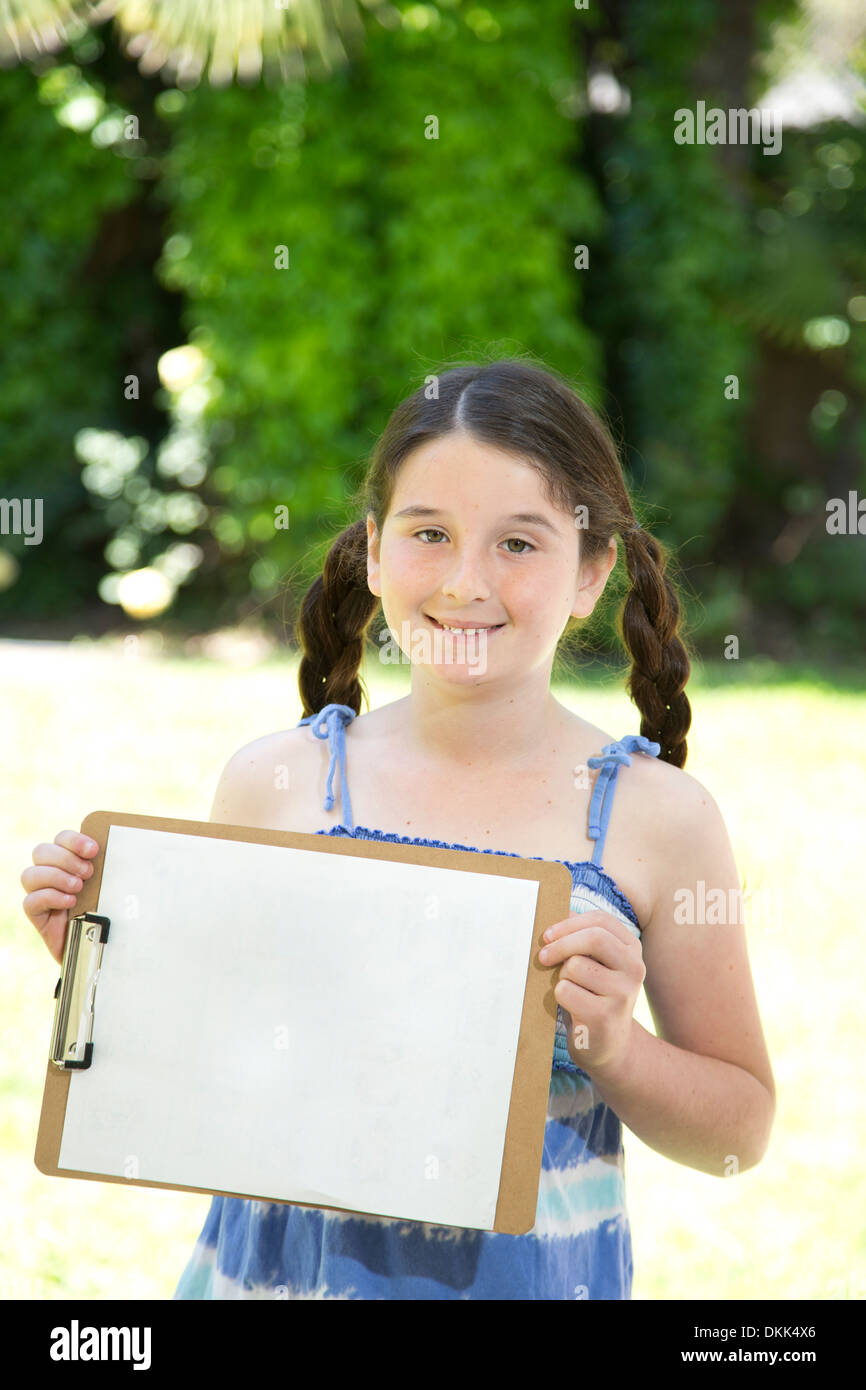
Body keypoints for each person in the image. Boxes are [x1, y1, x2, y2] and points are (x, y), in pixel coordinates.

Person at [22, 356, 776, 1300]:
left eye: (519, 544)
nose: (466, 581)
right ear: (374, 553)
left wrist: (616, 1045)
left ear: (591, 572)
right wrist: (114, 974)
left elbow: (739, 1133)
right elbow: (229, 1060)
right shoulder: (278, 782)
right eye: (431, 533)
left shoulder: (657, 818)